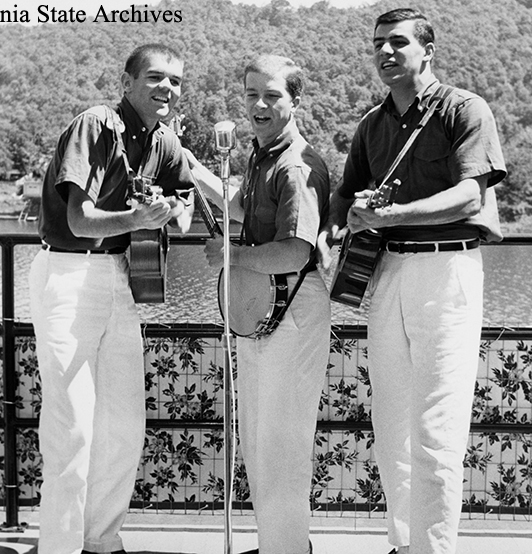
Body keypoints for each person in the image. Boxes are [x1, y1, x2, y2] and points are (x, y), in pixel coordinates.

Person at [316, 8, 506, 554]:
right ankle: (404, 545)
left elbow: (472, 195)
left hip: (448, 268)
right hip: (389, 271)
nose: (386, 52)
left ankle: (434, 550)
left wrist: (391, 216)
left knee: (437, 425)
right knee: (391, 420)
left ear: (428, 50)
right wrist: (332, 232)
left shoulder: (464, 109)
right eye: (378, 43)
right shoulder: (372, 125)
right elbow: (344, 193)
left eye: (398, 42)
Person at [29, 43, 195, 554]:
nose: (166, 88)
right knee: (72, 426)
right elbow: (79, 221)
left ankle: (101, 542)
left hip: (122, 278)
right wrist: (137, 219)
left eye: (175, 80)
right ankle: (59, 547)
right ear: (127, 84)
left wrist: (169, 211)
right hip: (69, 275)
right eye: (155, 77)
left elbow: (185, 210)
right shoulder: (97, 125)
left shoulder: (164, 140)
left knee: (124, 426)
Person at [185, 54, 331, 554]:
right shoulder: (262, 154)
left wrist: (232, 253)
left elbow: (296, 250)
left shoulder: (296, 166)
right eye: (252, 95)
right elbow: (244, 208)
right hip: (268, 314)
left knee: (282, 445)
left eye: (272, 95)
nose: (260, 105)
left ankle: (288, 551)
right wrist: (197, 169)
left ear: (295, 101)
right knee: (260, 442)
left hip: (292, 311)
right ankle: (280, 545)